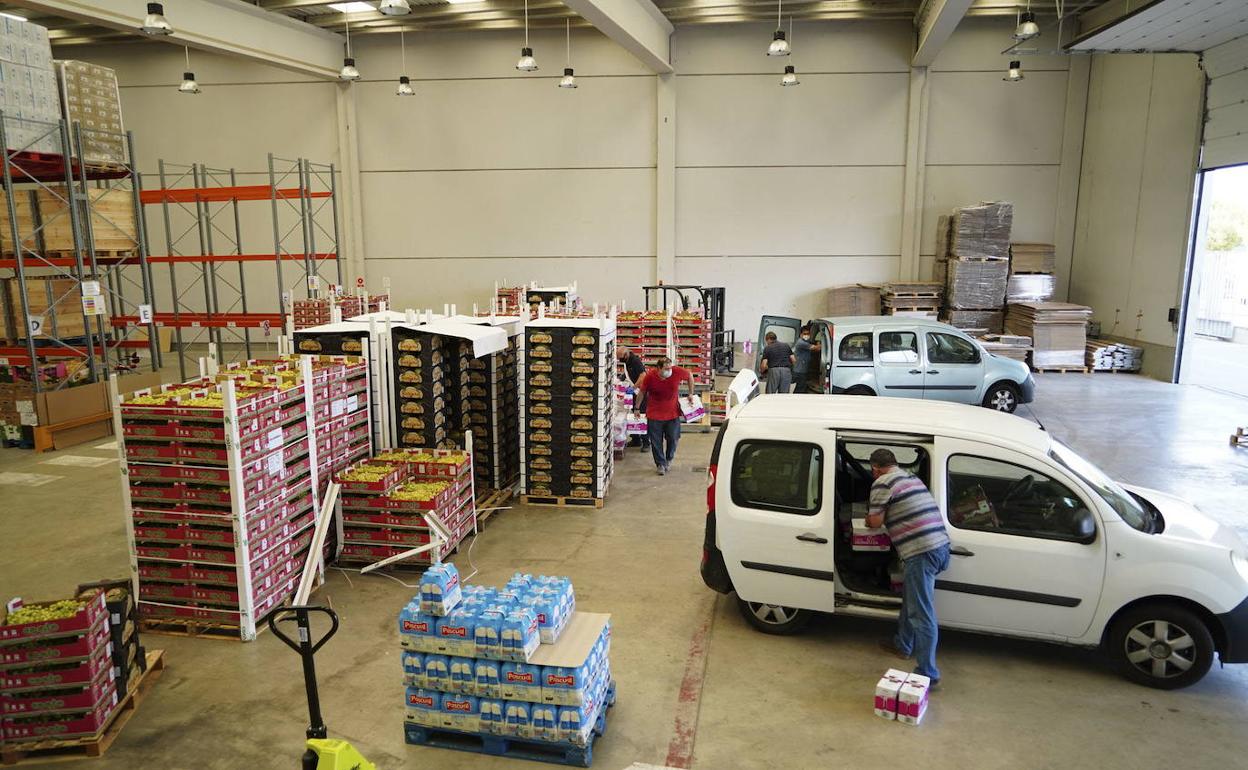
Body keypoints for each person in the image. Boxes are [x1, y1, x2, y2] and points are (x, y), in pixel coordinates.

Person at [866, 448, 951, 688]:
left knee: (921, 614)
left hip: (921, 552)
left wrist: (867, 517)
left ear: (875, 469)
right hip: (941, 547)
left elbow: (875, 522)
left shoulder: (882, 482)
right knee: (913, 599)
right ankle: (902, 644)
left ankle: (928, 673)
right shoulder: (911, 478)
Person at [634, 356, 693, 476]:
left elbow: (690, 376)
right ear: (658, 368)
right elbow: (642, 392)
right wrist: (637, 408)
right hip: (654, 414)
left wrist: (690, 393)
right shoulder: (650, 376)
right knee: (656, 441)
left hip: (673, 413)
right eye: (666, 369)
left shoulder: (676, 371)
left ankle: (669, 458)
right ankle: (660, 463)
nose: (669, 371)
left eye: (670, 368)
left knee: (673, 438)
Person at [617, 345, 649, 449]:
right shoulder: (627, 362)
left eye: (620, 357)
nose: (619, 360)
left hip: (641, 392)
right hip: (633, 393)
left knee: (641, 416)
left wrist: (634, 387)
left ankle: (646, 443)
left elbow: (643, 375)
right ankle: (636, 440)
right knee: (632, 416)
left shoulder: (635, 361)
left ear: (626, 355)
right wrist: (621, 378)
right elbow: (628, 373)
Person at [792, 325, 822, 394]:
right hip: (800, 371)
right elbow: (817, 348)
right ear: (801, 334)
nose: (806, 335)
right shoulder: (801, 343)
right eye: (804, 334)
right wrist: (819, 340)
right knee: (799, 390)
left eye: (808, 334)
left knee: (802, 388)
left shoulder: (806, 342)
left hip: (802, 370)